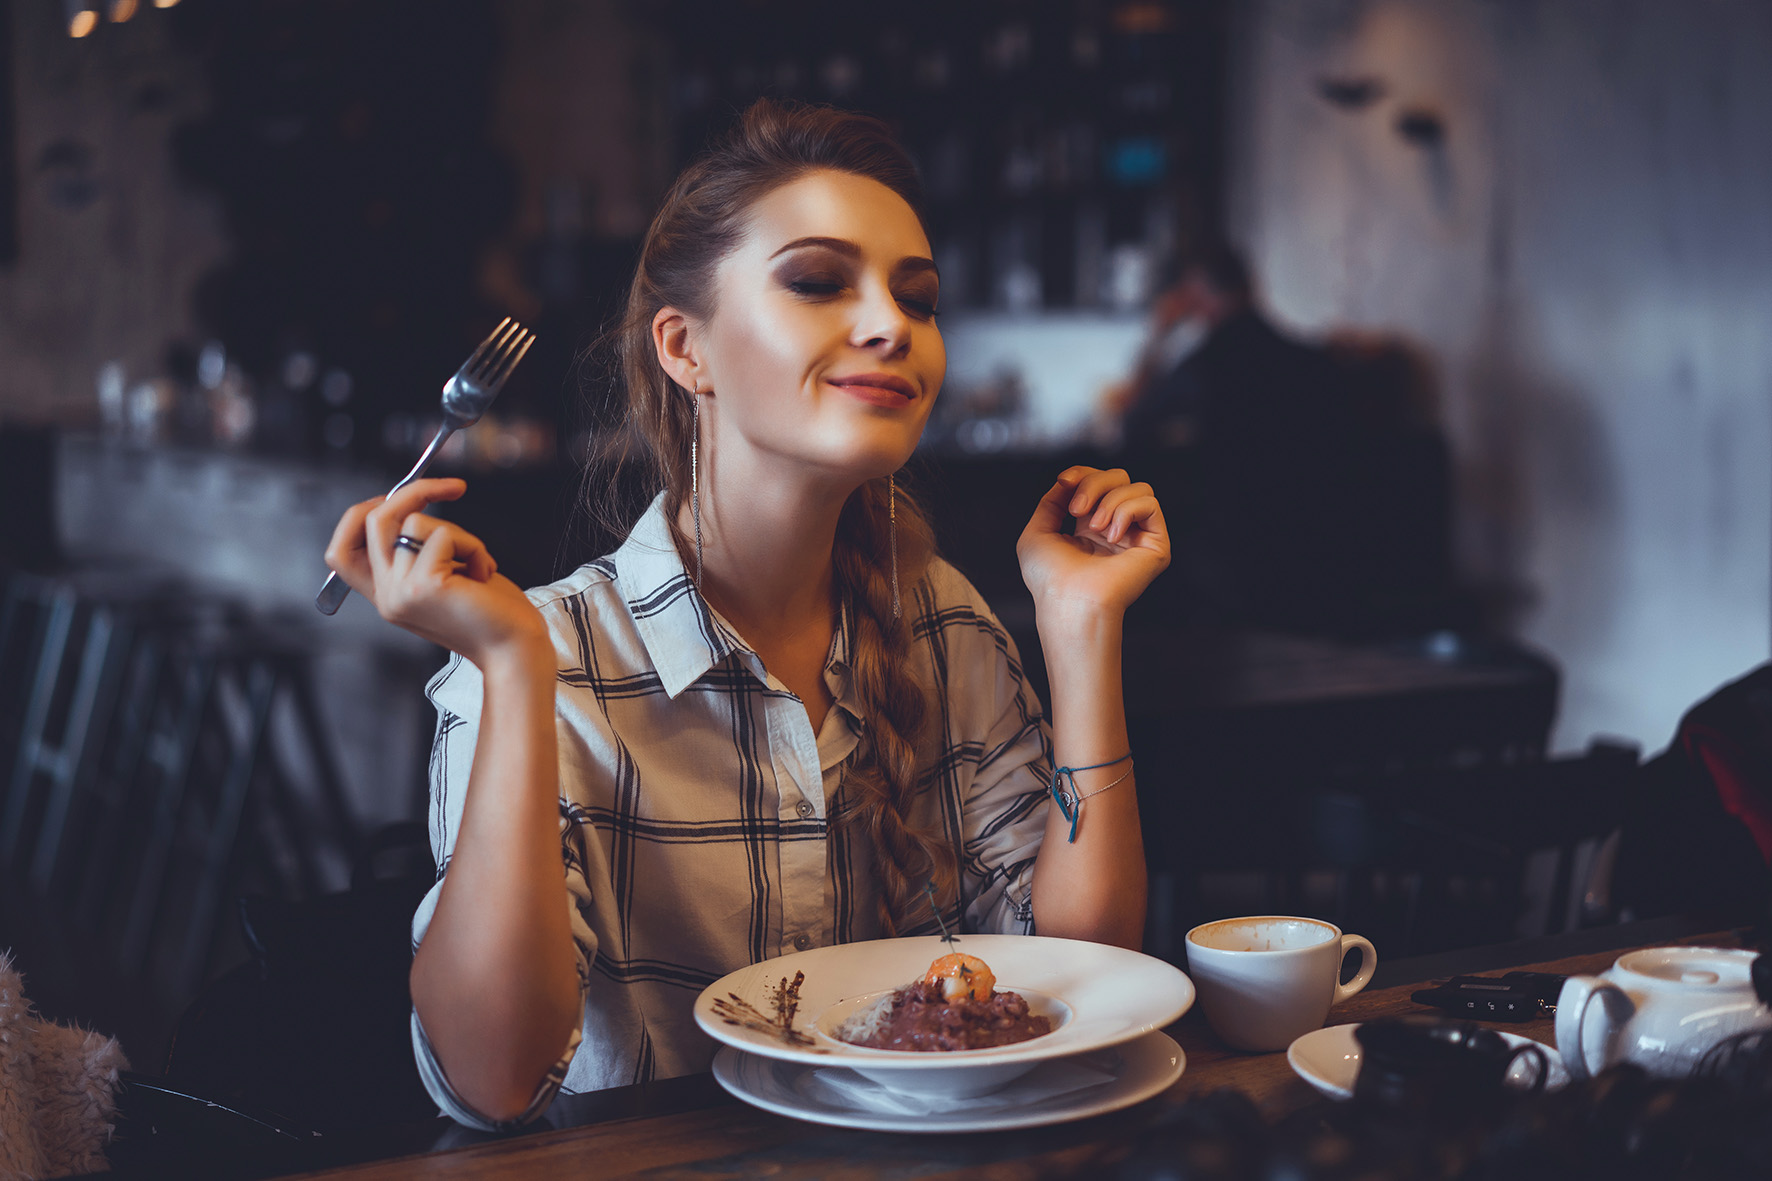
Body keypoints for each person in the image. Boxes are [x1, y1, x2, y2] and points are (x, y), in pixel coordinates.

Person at [321, 100, 1170, 1130]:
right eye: (817, 281)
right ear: (686, 349)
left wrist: (1080, 630)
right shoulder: (545, 656)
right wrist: (510, 665)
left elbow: (1083, 973)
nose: (891, 325)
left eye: (918, 297)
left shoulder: (944, 625)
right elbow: (493, 1082)